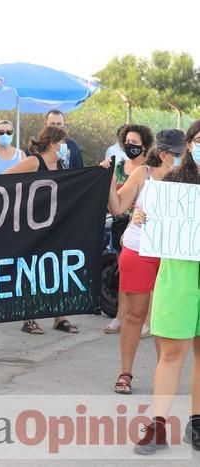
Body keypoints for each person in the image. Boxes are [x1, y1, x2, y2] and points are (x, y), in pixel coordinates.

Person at [132, 120, 200, 455]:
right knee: (172, 353)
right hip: (179, 276)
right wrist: (140, 217)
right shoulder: (171, 183)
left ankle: (197, 424)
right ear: (189, 144)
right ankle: (157, 426)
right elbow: (146, 215)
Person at [101, 130, 180, 395]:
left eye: (180, 153)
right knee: (134, 315)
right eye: (171, 152)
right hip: (138, 250)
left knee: (163, 317)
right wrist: (109, 179)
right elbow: (118, 207)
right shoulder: (143, 173)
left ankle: (163, 374)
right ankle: (125, 373)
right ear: (162, 151)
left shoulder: (191, 178)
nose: (175, 158)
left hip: (172, 254)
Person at [4, 126, 79, 335]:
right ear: (53, 143)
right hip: (32, 224)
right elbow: (3, 178)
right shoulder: (34, 161)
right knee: (32, 269)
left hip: (55, 224)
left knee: (56, 268)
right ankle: (28, 316)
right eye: (63, 143)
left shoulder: (62, 163)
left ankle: (59, 317)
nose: (66, 147)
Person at [103, 124, 155, 334]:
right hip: (120, 224)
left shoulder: (150, 169)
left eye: (135, 143)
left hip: (142, 226)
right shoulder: (118, 166)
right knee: (124, 274)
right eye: (127, 142)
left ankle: (145, 320)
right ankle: (120, 316)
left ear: (145, 146)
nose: (130, 146)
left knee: (148, 275)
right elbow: (113, 203)